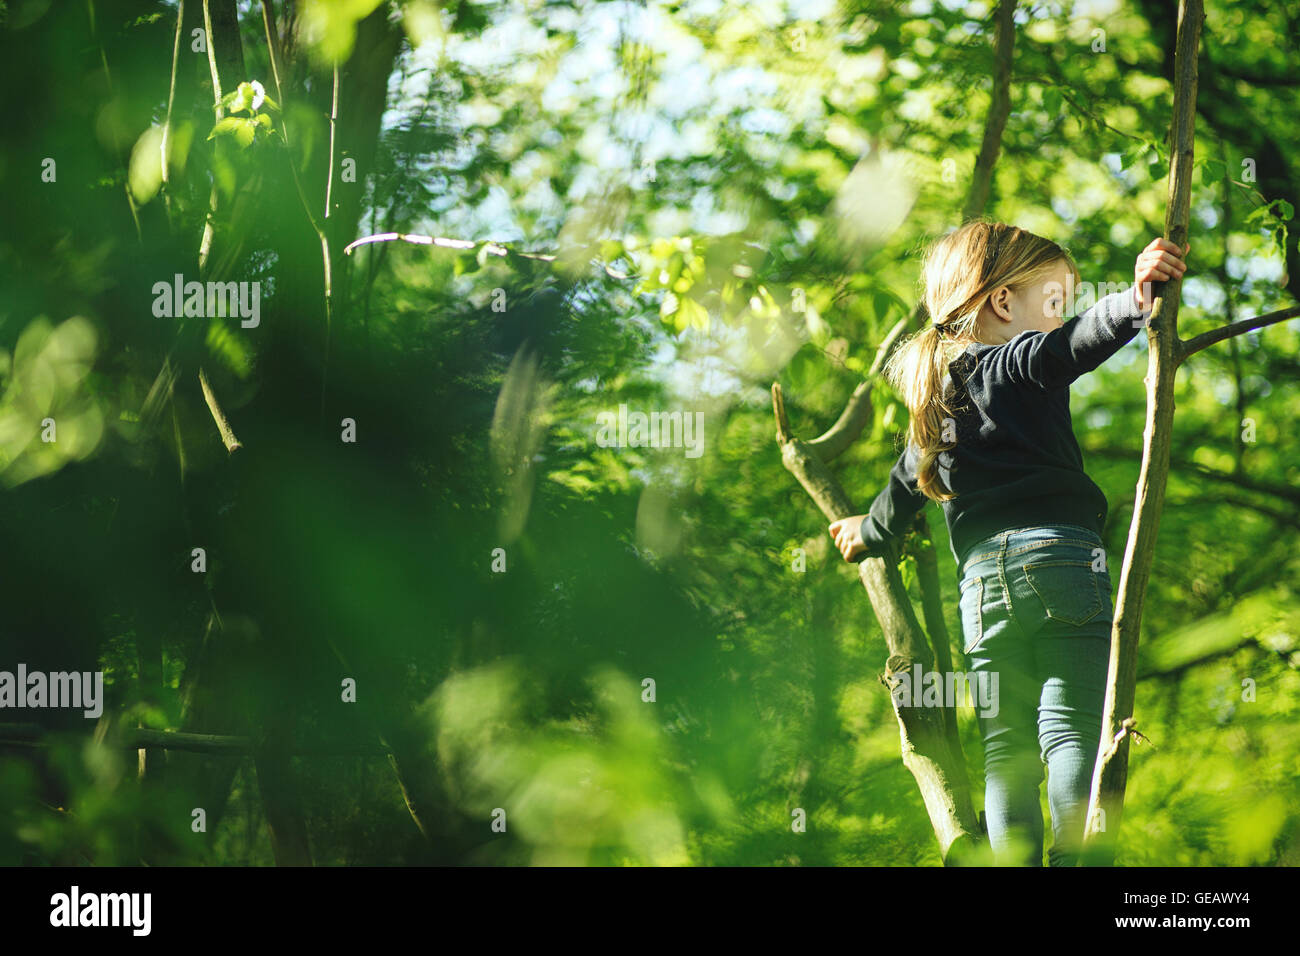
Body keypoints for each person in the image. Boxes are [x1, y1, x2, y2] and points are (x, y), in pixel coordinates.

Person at [827, 221, 1189, 866]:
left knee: (1007, 745)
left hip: (983, 589)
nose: (1057, 320)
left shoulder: (934, 411)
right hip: (1061, 561)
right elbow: (1073, 347)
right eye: (1053, 303)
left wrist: (866, 531)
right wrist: (1135, 300)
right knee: (1072, 728)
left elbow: (900, 494)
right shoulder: (1021, 361)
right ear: (1003, 304)